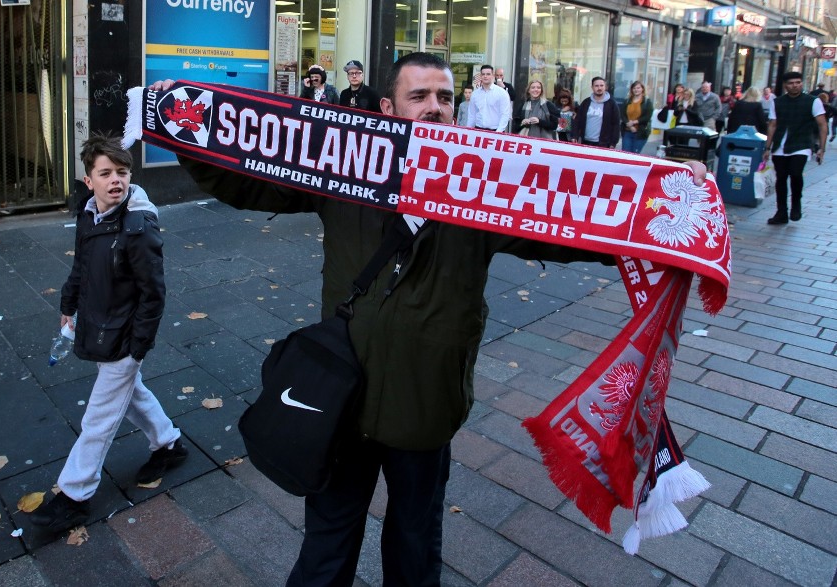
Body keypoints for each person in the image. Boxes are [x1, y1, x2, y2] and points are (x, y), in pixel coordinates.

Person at [149, 53, 706, 586]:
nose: (434, 106)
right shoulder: (346, 170)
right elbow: (247, 180)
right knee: (326, 548)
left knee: (415, 547)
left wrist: (667, 200)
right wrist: (188, 130)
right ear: (388, 111)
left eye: (444, 96)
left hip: (425, 405)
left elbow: (573, 222)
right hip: (340, 400)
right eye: (418, 96)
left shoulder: (489, 185)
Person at [30, 132, 186, 533]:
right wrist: (68, 304)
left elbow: (154, 293)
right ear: (89, 181)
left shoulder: (138, 225)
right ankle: (168, 444)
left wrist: (139, 347)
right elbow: (81, 263)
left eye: (122, 172)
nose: (116, 180)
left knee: (98, 417)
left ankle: (74, 495)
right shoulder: (88, 213)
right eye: (106, 173)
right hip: (100, 323)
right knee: (131, 394)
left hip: (124, 336)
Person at [763, 71, 827, 224]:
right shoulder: (777, 102)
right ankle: (781, 212)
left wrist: (821, 149)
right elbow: (772, 125)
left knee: (796, 174)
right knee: (781, 179)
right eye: (791, 83)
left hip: (801, 144)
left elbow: (822, 124)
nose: (795, 85)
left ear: (801, 83)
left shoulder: (812, 101)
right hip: (780, 146)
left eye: (798, 82)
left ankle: (796, 205)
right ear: (785, 85)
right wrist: (767, 148)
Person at [572, 76, 621, 148]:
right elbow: (577, 120)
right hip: (585, 142)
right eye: (596, 86)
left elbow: (616, 124)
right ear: (592, 87)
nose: (599, 88)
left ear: (605, 87)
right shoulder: (586, 102)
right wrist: (574, 136)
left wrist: (613, 143)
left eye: (601, 85)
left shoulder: (612, 104)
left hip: (603, 144)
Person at [466, 64, 512, 132]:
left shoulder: (502, 93)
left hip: (496, 130)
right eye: (483, 74)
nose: (485, 76)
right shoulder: (475, 94)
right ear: (480, 76)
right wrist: (468, 131)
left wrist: (498, 132)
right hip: (478, 129)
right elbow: (472, 115)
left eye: (488, 74)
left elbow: (505, 115)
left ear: (493, 75)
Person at [619, 80, 653, 153]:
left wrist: (634, 122)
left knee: (635, 154)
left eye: (638, 88)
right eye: (634, 88)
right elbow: (623, 114)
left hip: (640, 132)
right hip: (627, 131)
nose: (636, 90)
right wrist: (630, 125)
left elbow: (647, 117)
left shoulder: (647, 102)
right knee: (625, 153)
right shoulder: (627, 101)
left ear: (642, 89)